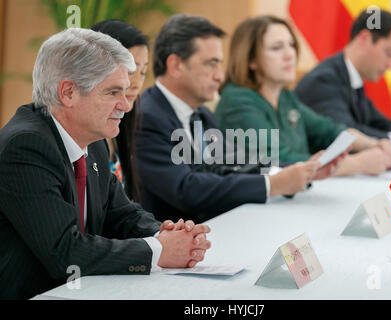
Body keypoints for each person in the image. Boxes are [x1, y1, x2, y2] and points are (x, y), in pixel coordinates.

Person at [0, 28, 211, 300]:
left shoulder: (94, 139)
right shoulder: (25, 147)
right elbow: (65, 254)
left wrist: (169, 233)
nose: (125, 104)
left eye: (124, 91)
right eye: (112, 92)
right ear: (69, 92)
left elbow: (121, 214)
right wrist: (159, 251)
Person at [135, 14, 340, 224]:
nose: (220, 76)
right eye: (211, 64)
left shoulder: (201, 114)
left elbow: (236, 163)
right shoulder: (147, 118)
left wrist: (301, 171)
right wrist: (272, 184)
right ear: (176, 65)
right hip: (176, 245)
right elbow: (186, 190)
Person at [215, 15, 391, 177]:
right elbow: (278, 161)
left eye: (291, 45)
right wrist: (359, 164)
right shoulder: (237, 101)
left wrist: (372, 145)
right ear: (251, 60)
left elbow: (328, 130)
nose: (290, 54)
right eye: (277, 48)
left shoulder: (285, 96)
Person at [294, 9, 391, 152]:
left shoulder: (352, 78)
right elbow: (345, 132)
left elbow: (377, 120)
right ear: (364, 38)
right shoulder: (323, 81)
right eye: (389, 53)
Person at [90, 20, 149, 202]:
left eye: (143, 72)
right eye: (131, 71)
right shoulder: (85, 132)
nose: (137, 83)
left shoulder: (124, 122)